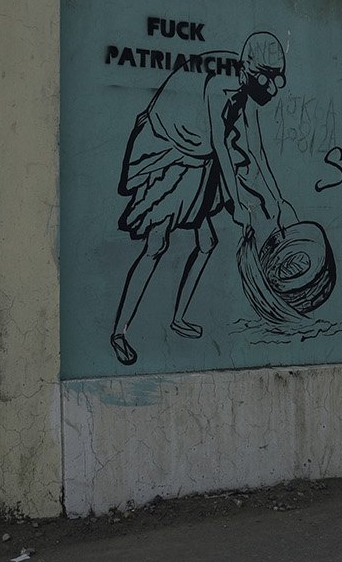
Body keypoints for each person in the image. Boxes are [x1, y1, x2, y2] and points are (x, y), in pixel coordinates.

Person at [110, 32, 294, 366]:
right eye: (267, 79)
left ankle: (178, 318)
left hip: (200, 154)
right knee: (156, 243)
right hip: (169, 150)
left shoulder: (245, 89)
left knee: (207, 241)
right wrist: (237, 203)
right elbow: (222, 146)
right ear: (251, 72)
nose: (271, 88)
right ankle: (119, 333)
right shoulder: (219, 84)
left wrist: (277, 199)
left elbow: (254, 148)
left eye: (277, 79)